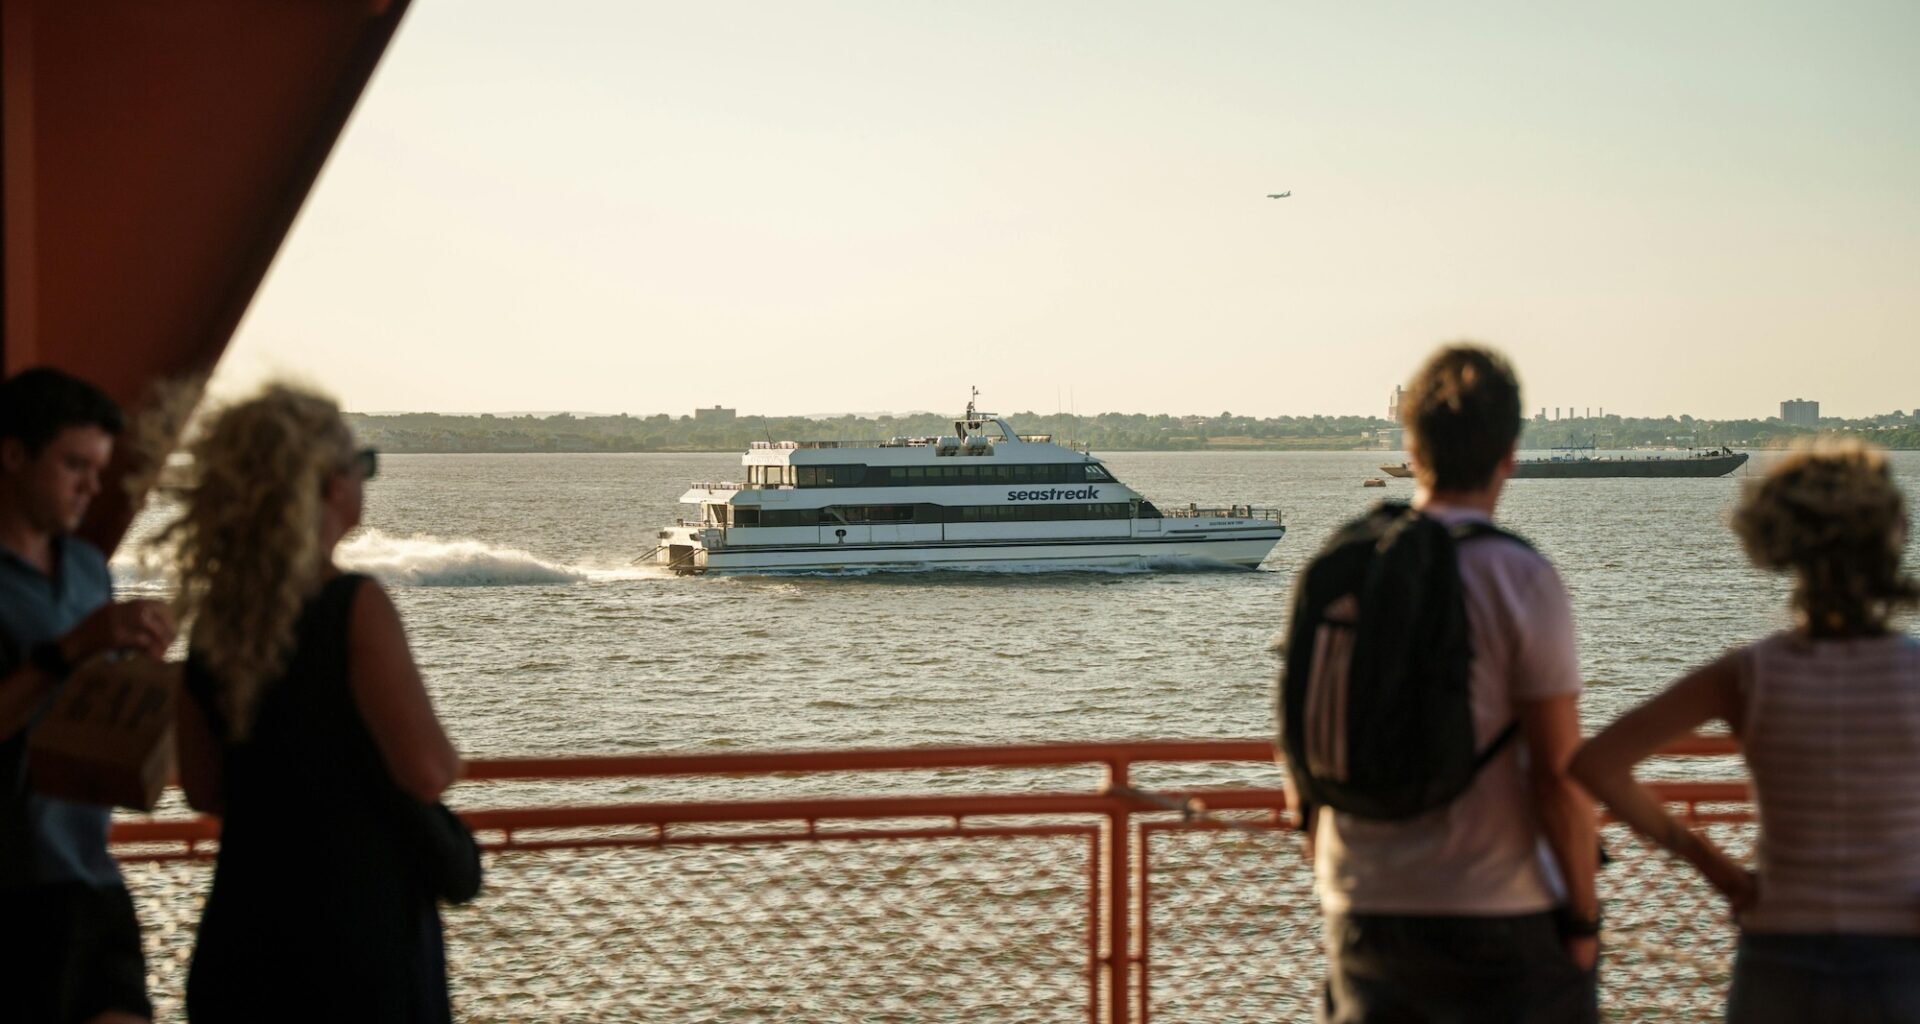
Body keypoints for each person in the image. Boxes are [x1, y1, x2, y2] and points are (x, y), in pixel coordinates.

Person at [1289, 345, 1600, 1023]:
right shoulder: (1520, 577)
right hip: (1497, 912)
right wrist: (1583, 919)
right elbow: (1557, 775)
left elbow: (1300, 737)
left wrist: (1329, 863)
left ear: (1412, 445)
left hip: (1363, 908)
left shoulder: (1343, 566)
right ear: (1509, 454)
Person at [1572, 441, 1920, 1022]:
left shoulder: (1751, 672)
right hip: (1900, 956)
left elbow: (1596, 764)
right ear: (1893, 537)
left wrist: (1717, 869)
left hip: (1780, 952)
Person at [164, 384, 461, 1022]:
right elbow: (429, 770)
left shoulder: (218, 619)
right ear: (331, 485)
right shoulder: (353, 607)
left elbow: (202, 787)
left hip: (242, 940)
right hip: (351, 938)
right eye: (363, 465)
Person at [0, 367, 176, 1024]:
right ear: (14, 455)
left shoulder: (85, 569)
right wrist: (74, 648)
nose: (91, 487)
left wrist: (135, 666)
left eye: (97, 470)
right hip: (12, 882)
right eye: (74, 465)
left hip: (89, 869)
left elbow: (88, 697)